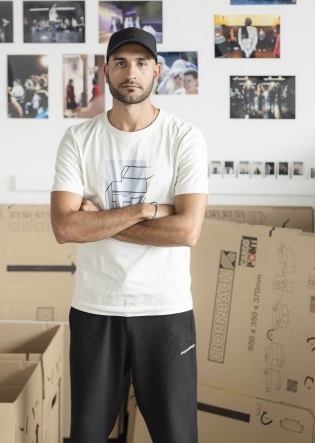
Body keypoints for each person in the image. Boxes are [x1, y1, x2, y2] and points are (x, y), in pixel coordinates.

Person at [51, 27, 208, 443]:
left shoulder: (184, 138)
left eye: (141, 63)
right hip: (95, 308)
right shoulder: (78, 138)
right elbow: (65, 227)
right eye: (121, 62)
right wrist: (146, 210)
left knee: (177, 437)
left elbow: (188, 230)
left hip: (166, 310)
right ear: (106, 71)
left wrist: (101, 221)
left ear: (157, 71)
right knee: (87, 435)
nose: (131, 72)